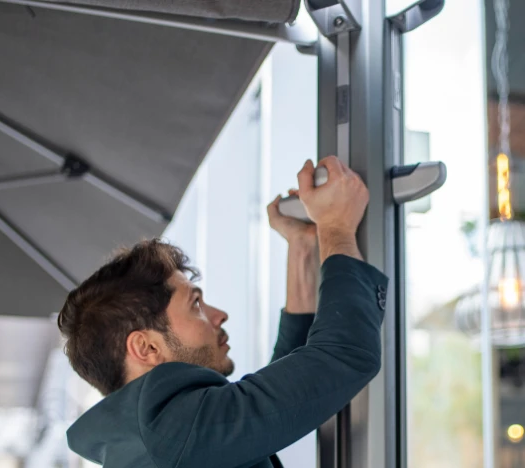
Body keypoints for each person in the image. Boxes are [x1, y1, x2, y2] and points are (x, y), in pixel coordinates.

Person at [58, 156, 388, 468]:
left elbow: (274, 400)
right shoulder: (176, 434)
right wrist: (337, 228)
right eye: (195, 305)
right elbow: (342, 355)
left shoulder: (158, 442)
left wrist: (301, 248)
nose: (219, 315)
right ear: (146, 347)